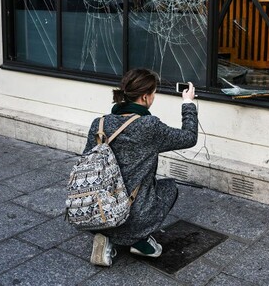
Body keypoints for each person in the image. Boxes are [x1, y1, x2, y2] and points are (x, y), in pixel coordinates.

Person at [83, 68, 198, 267]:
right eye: (154, 93)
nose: (154, 97)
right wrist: (188, 103)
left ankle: (105, 235)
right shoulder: (148, 126)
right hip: (134, 213)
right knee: (169, 188)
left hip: (97, 209)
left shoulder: (99, 124)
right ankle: (139, 239)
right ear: (145, 97)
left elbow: (87, 161)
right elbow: (189, 137)